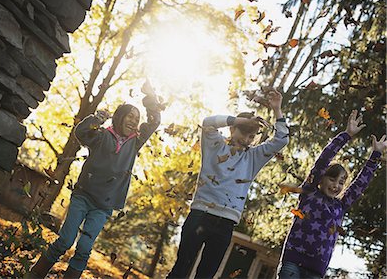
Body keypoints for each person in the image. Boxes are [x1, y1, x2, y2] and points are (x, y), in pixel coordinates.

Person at [26, 95, 161, 279]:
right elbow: (81, 132)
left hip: (103, 206)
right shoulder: (102, 135)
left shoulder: (135, 142)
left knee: (84, 248)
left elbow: (154, 122)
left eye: (137, 119)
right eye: (130, 116)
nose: (134, 121)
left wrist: (150, 98)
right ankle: (35, 275)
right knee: (65, 240)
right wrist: (97, 119)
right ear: (119, 117)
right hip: (83, 196)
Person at [168, 88, 289, 278]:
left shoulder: (253, 158)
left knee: (206, 275)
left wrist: (277, 110)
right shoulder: (215, 145)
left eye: (252, 136)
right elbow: (208, 123)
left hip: (225, 224)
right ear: (232, 129)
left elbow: (282, 139)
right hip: (200, 214)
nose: (247, 139)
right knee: (181, 269)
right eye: (244, 133)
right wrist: (240, 120)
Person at [277, 110, 386, 279]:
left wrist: (375, 156)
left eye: (341, 182)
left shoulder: (340, 206)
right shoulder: (309, 192)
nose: (336, 185)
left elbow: (360, 184)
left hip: (316, 269)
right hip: (293, 261)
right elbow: (323, 160)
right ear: (321, 178)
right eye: (332, 179)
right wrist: (347, 135)